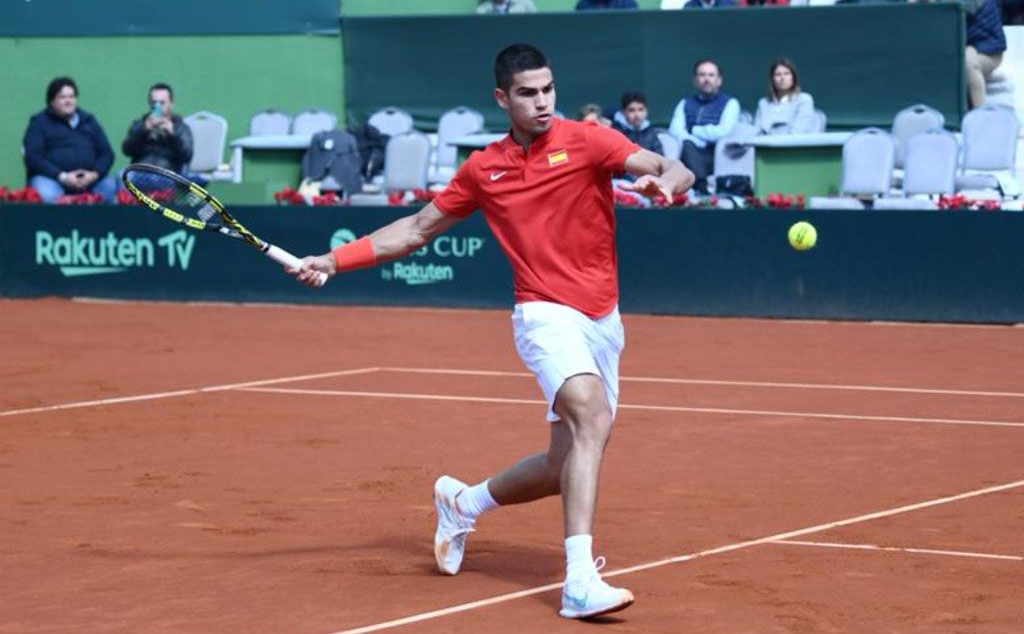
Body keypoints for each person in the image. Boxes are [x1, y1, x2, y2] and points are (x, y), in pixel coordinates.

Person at [291, 44, 693, 620]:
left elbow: (669, 165)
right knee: (592, 415)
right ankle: (579, 579)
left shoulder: (588, 140)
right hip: (542, 313)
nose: (543, 102)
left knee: (567, 463)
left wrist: (668, 184)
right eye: (528, 93)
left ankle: (462, 502)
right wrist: (333, 260)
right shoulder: (484, 169)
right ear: (502, 99)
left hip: (603, 318)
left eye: (548, 89)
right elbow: (415, 230)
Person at [910, 0, 1007, 109]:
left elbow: (967, 8)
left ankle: (980, 114)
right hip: (954, 48)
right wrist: (915, 1)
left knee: (967, 61)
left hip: (987, 49)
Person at [22, 76, 117, 204]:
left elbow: (107, 154)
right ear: (51, 101)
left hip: (89, 180)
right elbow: (33, 158)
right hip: (52, 179)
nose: (68, 101)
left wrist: (94, 175)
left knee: (110, 187)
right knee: (47, 195)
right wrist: (63, 177)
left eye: (72, 97)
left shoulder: (88, 121)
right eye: (62, 97)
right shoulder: (39, 123)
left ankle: (98, 225)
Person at [669, 59, 741, 192]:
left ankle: (700, 187)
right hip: (688, 152)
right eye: (702, 75)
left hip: (716, 155)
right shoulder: (685, 103)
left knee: (688, 143)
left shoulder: (730, 103)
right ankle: (700, 187)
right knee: (687, 144)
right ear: (695, 80)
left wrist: (695, 131)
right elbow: (675, 129)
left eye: (711, 75)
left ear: (719, 80)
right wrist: (693, 140)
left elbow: (724, 131)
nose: (706, 79)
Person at [121, 82, 195, 176]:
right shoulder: (140, 124)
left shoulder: (181, 127)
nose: (157, 107)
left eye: (162, 103)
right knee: (120, 176)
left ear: (171, 104)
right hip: (140, 173)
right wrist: (143, 131)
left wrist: (172, 135)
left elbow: (187, 156)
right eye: (154, 102)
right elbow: (127, 150)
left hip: (168, 175)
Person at [755, 58, 817, 134]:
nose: (782, 78)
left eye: (787, 73)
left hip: (791, 144)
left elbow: (797, 132)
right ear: (772, 79)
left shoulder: (804, 100)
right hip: (763, 144)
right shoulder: (763, 103)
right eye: (778, 74)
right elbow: (756, 132)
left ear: (793, 77)